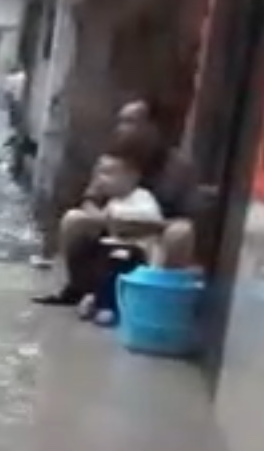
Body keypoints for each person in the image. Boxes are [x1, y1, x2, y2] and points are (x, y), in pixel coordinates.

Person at [37, 98, 202, 297]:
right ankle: (78, 288)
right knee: (74, 219)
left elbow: (189, 219)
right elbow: (90, 200)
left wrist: (147, 224)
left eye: (130, 122)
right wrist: (103, 218)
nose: (121, 129)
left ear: (152, 127)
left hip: (154, 236)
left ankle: (156, 296)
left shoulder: (178, 167)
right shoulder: (113, 158)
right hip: (111, 227)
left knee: (181, 232)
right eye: (120, 122)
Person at [51, 150, 171, 326]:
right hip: (112, 250)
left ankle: (107, 307)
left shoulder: (141, 196)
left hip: (135, 254)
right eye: (99, 173)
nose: (100, 179)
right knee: (96, 260)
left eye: (108, 173)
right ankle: (89, 294)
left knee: (114, 267)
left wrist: (113, 217)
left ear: (132, 177)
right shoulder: (114, 201)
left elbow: (149, 217)